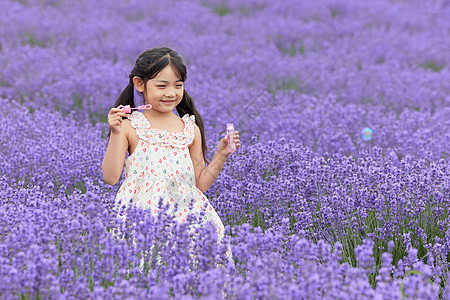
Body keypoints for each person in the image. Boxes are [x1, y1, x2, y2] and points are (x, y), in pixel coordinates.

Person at [102, 47, 240, 271]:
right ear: (139, 84)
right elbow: (110, 177)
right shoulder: (131, 126)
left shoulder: (190, 129)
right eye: (162, 85)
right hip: (142, 217)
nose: (171, 93)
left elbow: (200, 183)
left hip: (189, 216)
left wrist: (221, 155)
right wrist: (116, 133)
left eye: (178, 85)